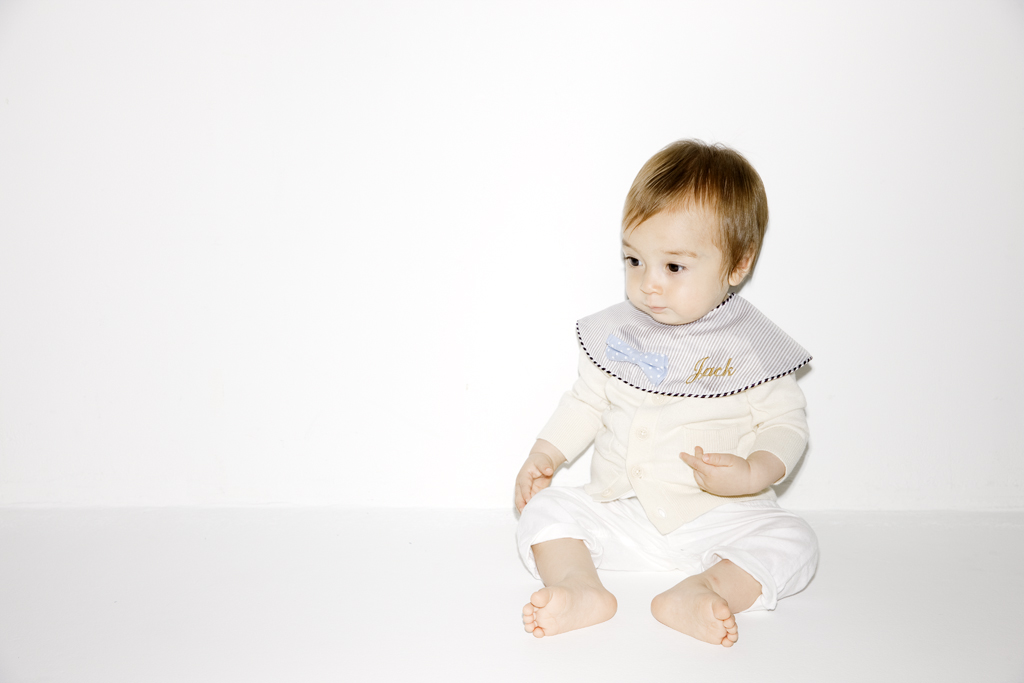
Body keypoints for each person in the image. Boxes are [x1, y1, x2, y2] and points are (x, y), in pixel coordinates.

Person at [514, 140, 818, 646]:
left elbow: (786, 425)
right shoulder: (620, 336)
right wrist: (544, 455)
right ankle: (579, 585)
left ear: (738, 264)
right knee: (547, 509)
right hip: (622, 511)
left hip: (719, 519)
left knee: (795, 540)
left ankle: (707, 589)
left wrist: (752, 471)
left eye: (673, 267)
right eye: (634, 260)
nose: (648, 284)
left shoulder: (751, 347)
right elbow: (585, 402)